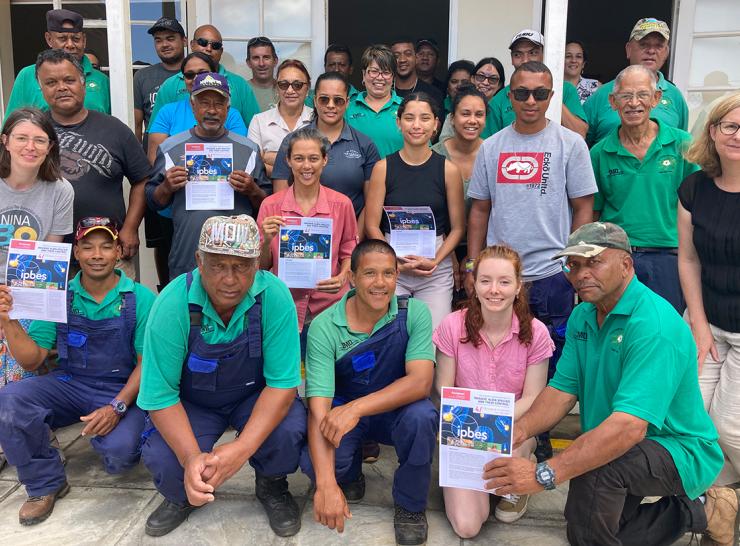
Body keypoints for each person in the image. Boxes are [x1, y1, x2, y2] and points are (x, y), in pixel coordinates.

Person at [484, 222, 732, 546]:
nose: (581, 273)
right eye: (573, 265)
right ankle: (703, 511)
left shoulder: (654, 325)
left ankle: (698, 503)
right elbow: (561, 392)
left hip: (678, 447)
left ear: (626, 264)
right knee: (589, 528)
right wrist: (519, 430)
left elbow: (629, 428)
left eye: (594, 261)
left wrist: (542, 473)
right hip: (620, 438)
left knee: (595, 468)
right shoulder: (583, 315)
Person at [138, 214, 307, 538]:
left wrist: (242, 448)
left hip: (252, 397)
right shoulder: (172, 303)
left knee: (287, 430)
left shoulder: (275, 296)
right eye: (217, 266)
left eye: (241, 266)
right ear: (199, 261)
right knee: (165, 458)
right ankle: (181, 495)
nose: (230, 279)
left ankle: (271, 485)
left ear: (257, 263)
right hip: (194, 404)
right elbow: (159, 396)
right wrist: (190, 458)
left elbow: (283, 385)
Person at [466, 63, 596, 458]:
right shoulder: (492, 146)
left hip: (551, 274)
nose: (530, 101)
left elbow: (583, 208)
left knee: (550, 362)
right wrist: (474, 268)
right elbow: (479, 212)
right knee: (501, 357)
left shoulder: (570, 144)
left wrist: (574, 266)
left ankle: (535, 435)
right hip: (499, 278)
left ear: (552, 97)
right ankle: (499, 432)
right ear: (509, 96)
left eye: (540, 93)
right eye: (522, 93)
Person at [0, 217, 155, 525]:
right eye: (87, 247)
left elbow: (146, 365)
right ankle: (45, 484)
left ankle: (132, 431)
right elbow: (32, 361)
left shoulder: (141, 298)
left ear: (118, 252)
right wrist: (8, 319)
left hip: (123, 388)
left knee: (120, 454)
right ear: (76, 253)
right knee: (11, 400)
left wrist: (116, 407)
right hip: (71, 384)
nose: (97, 254)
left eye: (106, 246)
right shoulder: (57, 294)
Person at [304, 239, 438, 545]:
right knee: (317, 463)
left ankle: (410, 505)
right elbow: (319, 408)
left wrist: (357, 408)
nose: (380, 283)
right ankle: (348, 475)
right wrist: (325, 485)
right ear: (351, 278)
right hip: (344, 412)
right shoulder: (325, 326)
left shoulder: (414, 312)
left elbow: (420, 382)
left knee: (422, 417)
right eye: (370, 274)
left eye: (389, 274)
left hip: (395, 410)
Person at [434, 245, 552, 537]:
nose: (494, 290)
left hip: (512, 427)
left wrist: (494, 421)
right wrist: (467, 423)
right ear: (473, 284)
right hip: (465, 427)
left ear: (518, 286)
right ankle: (476, 477)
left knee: (504, 503)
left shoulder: (536, 332)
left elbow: (533, 397)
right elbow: (444, 387)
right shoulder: (452, 325)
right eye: (485, 280)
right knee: (467, 526)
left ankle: (524, 460)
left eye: (504, 281)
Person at [591, 65, 698, 313]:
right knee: (617, 328)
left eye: (642, 94)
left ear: (657, 98)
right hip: (617, 256)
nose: (634, 103)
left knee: (664, 328)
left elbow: (699, 207)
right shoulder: (599, 152)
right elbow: (593, 213)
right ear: (613, 102)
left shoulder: (683, 144)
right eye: (626, 96)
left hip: (670, 257)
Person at [37, 49, 150, 280]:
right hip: (48, 253)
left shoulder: (114, 129)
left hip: (108, 250)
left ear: (83, 82)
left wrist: (130, 227)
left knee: (118, 314)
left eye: (69, 80)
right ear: (41, 87)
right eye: (51, 82)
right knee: (55, 317)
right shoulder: (32, 131)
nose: (61, 87)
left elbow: (142, 179)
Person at [147, 72, 270, 280]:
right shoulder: (170, 147)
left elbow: (266, 203)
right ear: (193, 106)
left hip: (236, 259)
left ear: (227, 109)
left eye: (219, 104)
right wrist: (166, 187)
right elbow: (153, 201)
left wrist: (252, 190)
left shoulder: (248, 149)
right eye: (204, 103)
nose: (212, 111)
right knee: (188, 311)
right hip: (188, 256)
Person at [679, 93, 740, 488]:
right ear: (714, 131)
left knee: (730, 427)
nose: (738, 135)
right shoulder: (694, 188)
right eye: (731, 126)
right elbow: (688, 259)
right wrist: (698, 324)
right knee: (693, 417)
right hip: (706, 320)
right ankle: (720, 505)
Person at [365, 92, 465, 329]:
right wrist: (391, 261)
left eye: (425, 118)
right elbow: (371, 225)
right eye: (409, 118)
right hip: (391, 265)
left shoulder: (448, 170)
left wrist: (436, 261)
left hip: (435, 269)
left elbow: (459, 227)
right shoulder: (382, 168)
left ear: (436, 125)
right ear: (399, 123)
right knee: (388, 337)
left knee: (433, 339)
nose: (417, 125)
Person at [258, 127, 358, 347]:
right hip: (284, 305)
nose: (306, 166)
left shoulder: (341, 204)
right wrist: (265, 240)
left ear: (324, 160)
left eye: (313, 158)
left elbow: (349, 249)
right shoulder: (270, 205)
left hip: (329, 305)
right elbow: (263, 268)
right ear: (288, 161)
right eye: (299, 158)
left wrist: (343, 276)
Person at [0, 108, 74, 386]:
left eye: (40, 140)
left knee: (22, 365)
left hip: (29, 289)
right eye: (21, 138)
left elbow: (46, 260)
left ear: (50, 147)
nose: (30, 147)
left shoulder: (60, 190)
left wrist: (11, 306)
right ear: (5, 141)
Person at [272, 72, 380, 234]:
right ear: (315, 101)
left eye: (338, 100)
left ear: (347, 103)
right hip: (299, 238)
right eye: (324, 99)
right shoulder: (292, 141)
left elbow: (371, 203)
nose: (331, 105)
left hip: (348, 235)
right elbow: (280, 199)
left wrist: (354, 240)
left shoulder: (365, 144)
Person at [584, 18, 689, 145]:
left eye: (659, 46)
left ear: (666, 52)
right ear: (628, 49)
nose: (651, 51)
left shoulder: (675, 96)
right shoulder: (603, 94)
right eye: (644, 44)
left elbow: (682, 147)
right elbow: (581, 145)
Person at [432, 85, 487, 303]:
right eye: (465, 114)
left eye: (479, 114)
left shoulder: (493, 152)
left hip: (485, 247)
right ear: (452, 118)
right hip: (441, 246)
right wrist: (450, 257)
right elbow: (433, 210)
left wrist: (473, 259)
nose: (472, 120)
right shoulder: (435, 155)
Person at [149, 24, 260, 130]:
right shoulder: (170, 85)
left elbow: (255, 129)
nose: (208, 48)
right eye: (202, 42)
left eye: (215, 45)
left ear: (221, 51)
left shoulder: (239, 85)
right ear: (191, 44)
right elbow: (157, 132)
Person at [4, 9, 110, 119]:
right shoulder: (27, 75)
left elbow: (112, 124)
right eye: (62, 39)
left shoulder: (101, 80)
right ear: (49, 39)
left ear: (84, 40)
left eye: (76, 39)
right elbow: (11, 124)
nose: (70, 45)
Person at [147, 52, 248, 163]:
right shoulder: (167, 112)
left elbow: (240, 155)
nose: (196, 78)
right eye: (189, 75)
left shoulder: (232, 115)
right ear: (184, 78)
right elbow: (155, 158)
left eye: (202, 73)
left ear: (214, 74)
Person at [485, 30, 587, 139]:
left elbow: (580, 133)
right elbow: (490, 145)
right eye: (517, 54)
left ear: (544, 55)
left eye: (532, 53)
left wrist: (547, 95)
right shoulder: (499, 100)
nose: (525, 60)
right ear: (512, 59)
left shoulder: (565, 90)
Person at [248, 59, 313, 177]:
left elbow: (325, 164)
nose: (290, 90)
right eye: (283, 84)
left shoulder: (317, 119)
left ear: (307, 88)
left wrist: (268, 157)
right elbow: (254, 165)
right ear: (277, 88)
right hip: (268, 192)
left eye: (297, 85)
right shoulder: (259, 121)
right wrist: (301, 167)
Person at [133, 17, 187, 143]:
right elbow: (136, 124)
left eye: (170, 39)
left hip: (191, 152)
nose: (164, 45)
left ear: (184, 41)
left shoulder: (195, 74)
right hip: (154, 154)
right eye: (158, 40)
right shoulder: (142, 76)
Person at [346, 45, 403, 158]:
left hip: (398, 175)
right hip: (359, 175)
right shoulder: (348, 108)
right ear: (364, 74)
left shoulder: (407, 107)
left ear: (393, 77)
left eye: (386, 72)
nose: (380, 77)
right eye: (374, 71)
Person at [438, 57, 505, 142]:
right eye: (480, 77)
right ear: (472, 79)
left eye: (493, 79)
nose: (485, 82)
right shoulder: (455, 112)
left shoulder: (504, 112)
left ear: (499, 85)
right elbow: (444, 147)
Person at [390, 39, 444, 110]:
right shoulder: (384, 91)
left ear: (417, 58)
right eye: (396, 56)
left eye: (408, 54)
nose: (402, 60)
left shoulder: (433, 94)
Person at [305, 43, 360, 107]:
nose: (336, 69)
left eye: (342, 65)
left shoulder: (360, 99)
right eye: (331, 65)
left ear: (350, 69)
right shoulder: (310, 97)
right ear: (325, 68)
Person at [246, 36, 279, 112]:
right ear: (248, 63)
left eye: (266, 57)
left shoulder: (286, 89)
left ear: (275, 61)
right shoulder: (242, 90)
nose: (261, 63)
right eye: (256, 58)